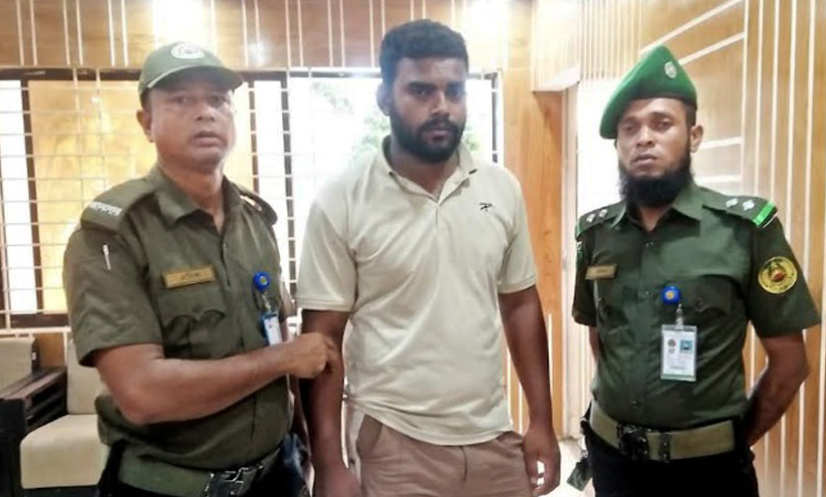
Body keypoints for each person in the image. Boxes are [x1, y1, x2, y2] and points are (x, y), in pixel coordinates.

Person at [296, 19, 561, 497]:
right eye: (420, 91)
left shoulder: (499, 189)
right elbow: (323, 340)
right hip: (395, 442)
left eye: (454, 90)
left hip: (492, 434)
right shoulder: (343, 200)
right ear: (384, 98)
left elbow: (520, 305)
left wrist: (542, 419)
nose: (441, 106)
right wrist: (329, 463)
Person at [62, 42, 337, 497]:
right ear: (146, 122)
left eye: (218, 99)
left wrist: (302, 440)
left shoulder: (255, 223)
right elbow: (142, 394)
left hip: (275, 477)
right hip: (169, 489)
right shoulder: (113, 235)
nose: (205, 112)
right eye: (181, 100)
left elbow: (274, 330)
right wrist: (283, 360)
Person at [571, 45, 821, 497]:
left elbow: (790, 362)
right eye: (630, 128)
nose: (643, 138)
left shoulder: (744, 230)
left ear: (694, 135)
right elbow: (601, 339)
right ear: (618, 144)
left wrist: (730, 442)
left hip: (709, 473)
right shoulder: (597, 235)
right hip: (613, 462)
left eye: (661, 123)